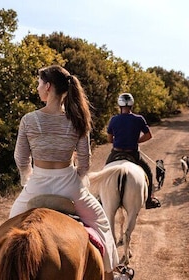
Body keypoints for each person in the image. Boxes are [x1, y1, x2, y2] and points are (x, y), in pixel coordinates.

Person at [10, 65, 119, 279]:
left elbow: (21, 159)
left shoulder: (29, 120)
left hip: (37, 184)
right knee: (102, 223)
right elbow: (85, 163)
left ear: (48, 87)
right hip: (69, 186)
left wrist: (28, 178)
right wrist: (76, 181)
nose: (38, 87)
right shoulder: (78, 120)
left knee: (8, 227)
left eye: (40, 83)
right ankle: (109, 272)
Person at [105, 93, 161, 209]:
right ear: (132, 105)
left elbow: (109, 139)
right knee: (148, 173)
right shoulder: (139, 119)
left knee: (104, 173)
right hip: (133, 154)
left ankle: (101, 198)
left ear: (119, 106)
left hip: (116, 152)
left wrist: (118, 140)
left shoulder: (114, 119)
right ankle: (149, 200)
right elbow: (149, 135)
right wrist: (136, 141)